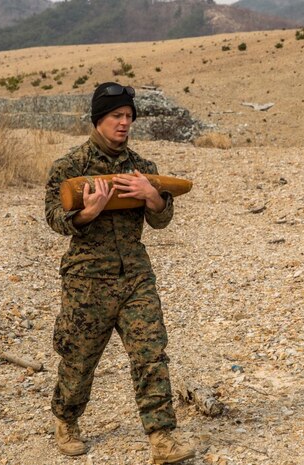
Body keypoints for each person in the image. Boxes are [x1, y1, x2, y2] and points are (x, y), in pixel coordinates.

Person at [44, 82, 195, 464]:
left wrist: (152, 196)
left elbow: (162, 220)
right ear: (99, 119)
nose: (124, 123)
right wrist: (86, 214)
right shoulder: (70, 167)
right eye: (117, 116)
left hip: (135, 278)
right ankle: (66, 419)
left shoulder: (144, 169)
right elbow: (53, 218)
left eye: (129, 117)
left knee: (151, 355)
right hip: (87, 281)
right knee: (79, 359)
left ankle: (162, 438)